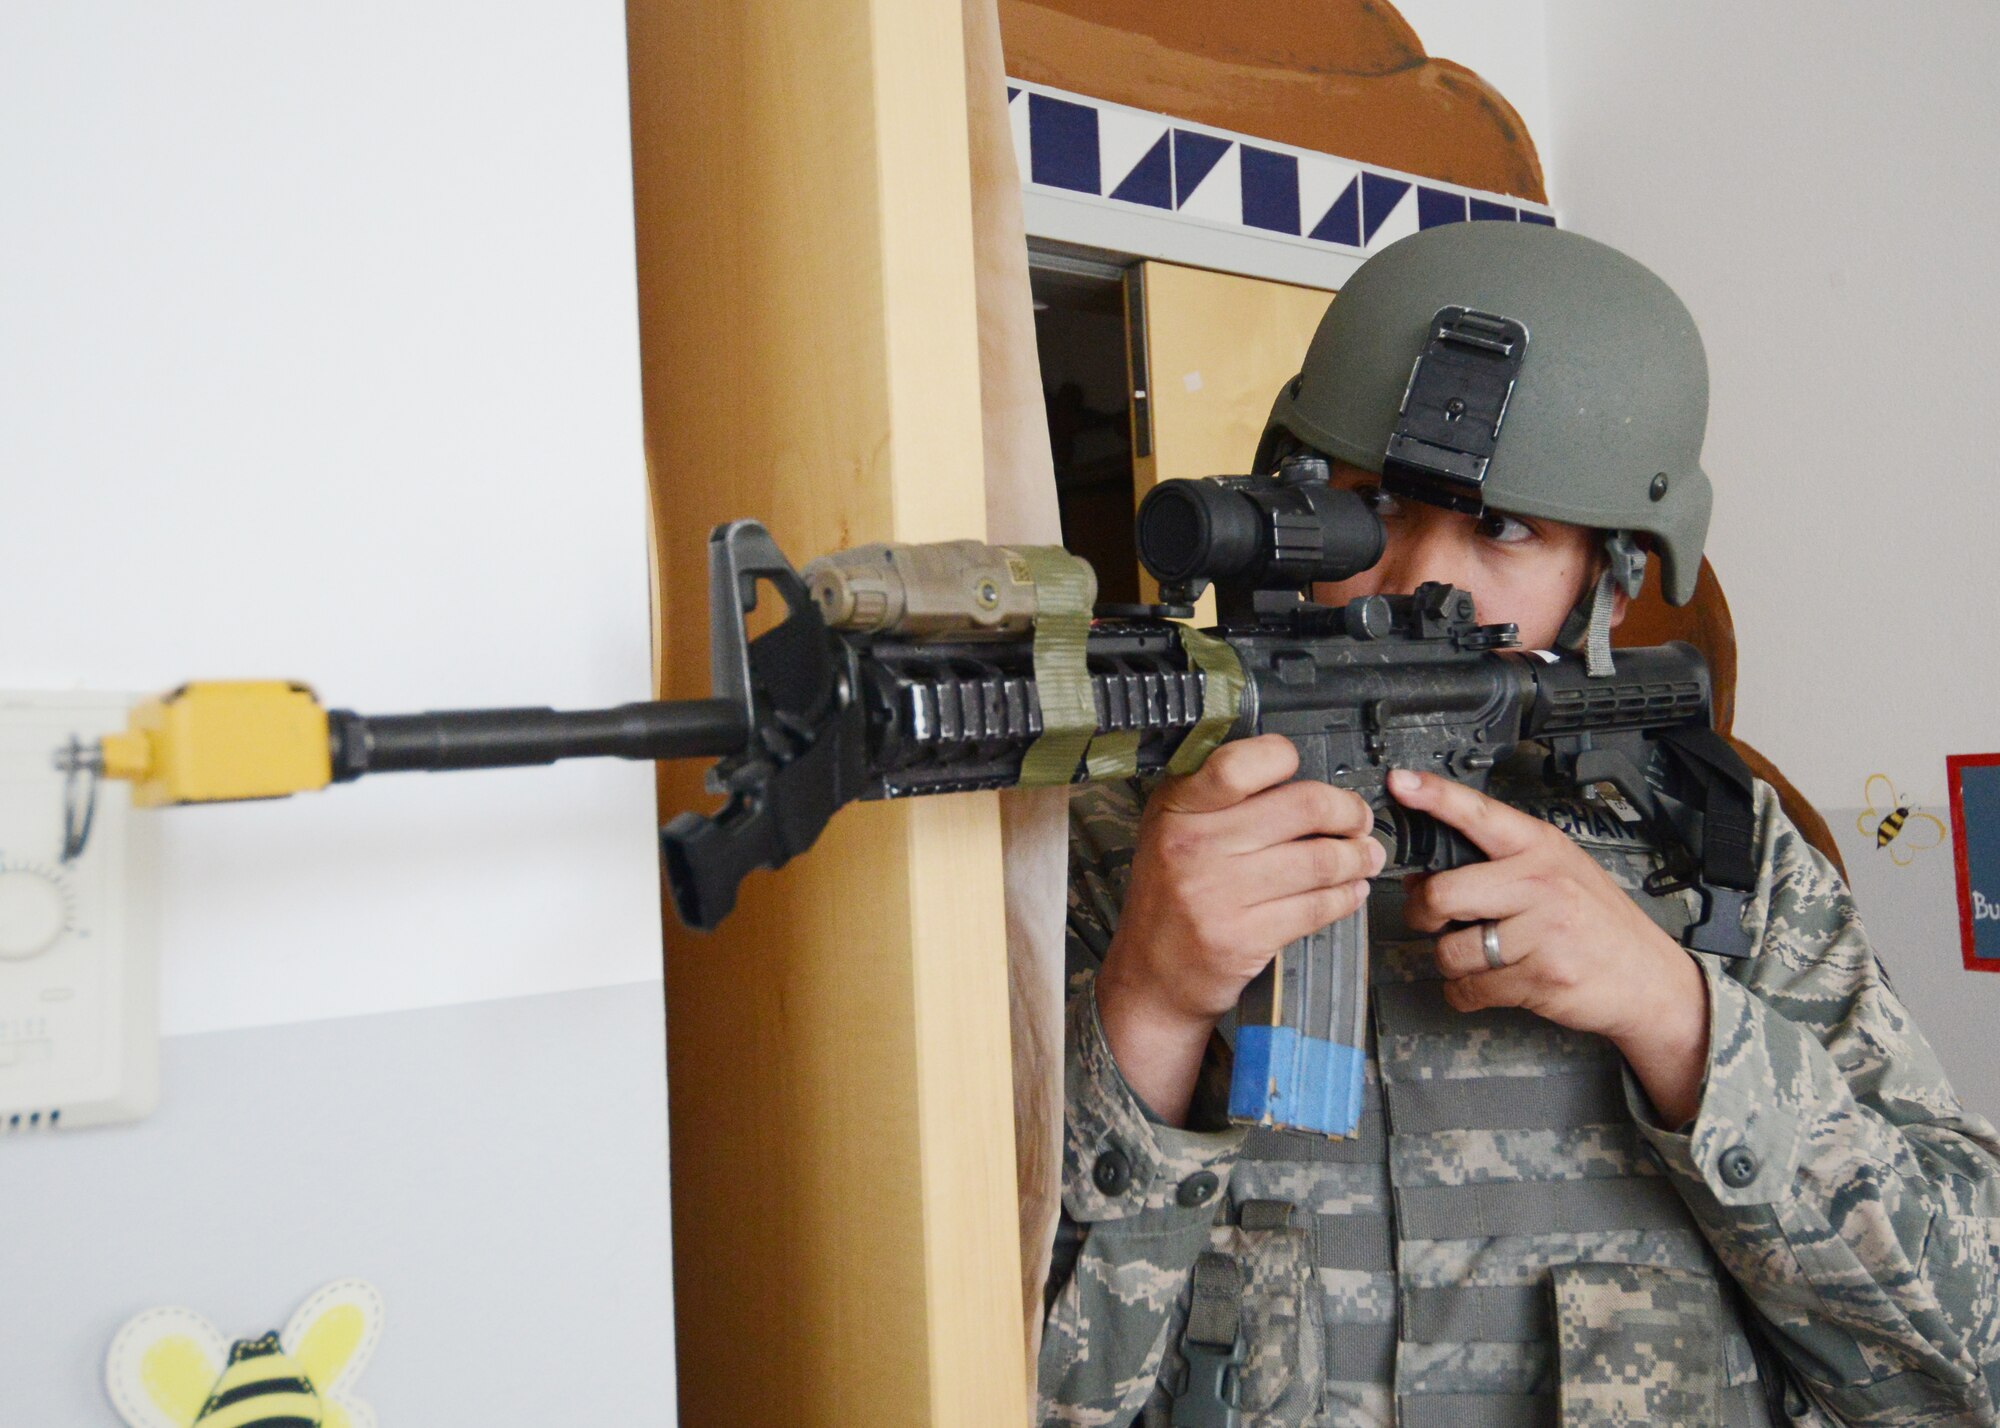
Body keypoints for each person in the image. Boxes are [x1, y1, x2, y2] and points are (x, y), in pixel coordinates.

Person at [1036, 221, 2000, 1427]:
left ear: (1608, 574)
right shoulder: (1126, 843)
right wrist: (1152, 1007)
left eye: (1503, 527)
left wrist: (1678, 1018)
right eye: (1368, 503)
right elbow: (975, 1369)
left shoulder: (1717, 853)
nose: (1412, 579)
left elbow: (1967, 1368)